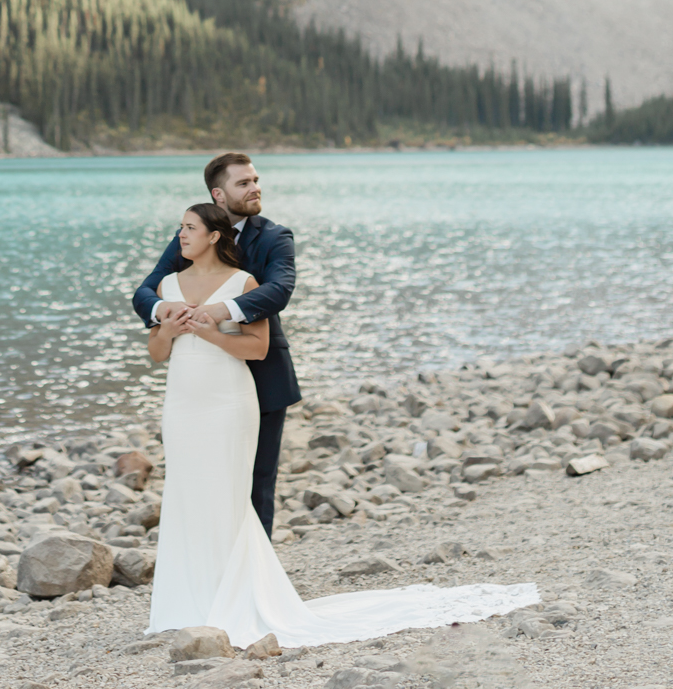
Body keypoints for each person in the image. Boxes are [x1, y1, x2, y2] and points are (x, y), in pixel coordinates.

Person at [141, 197, 540, 648]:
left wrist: (209, 331)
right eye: (180, 228)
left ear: (214, 236)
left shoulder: (242, 282)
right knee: (186, 491)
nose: (181, 235)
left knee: (227, 493)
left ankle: (234, 600)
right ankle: (185, 603)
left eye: (189, 227)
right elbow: (157, 353)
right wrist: (171, 328)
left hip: (228, 401)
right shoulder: (169, 286)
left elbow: (256, 348)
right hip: (182, 402)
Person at [133, 153, 296, 536]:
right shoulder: (192, 236)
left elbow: (280, 289)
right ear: (218, 194)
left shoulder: (275, 236)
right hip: (198, 386)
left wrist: (221, 309)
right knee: (200, 479)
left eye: (256, 180)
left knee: (256, 481)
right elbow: (145, 290)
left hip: (263, 371)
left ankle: (252, 581)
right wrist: (165, 311)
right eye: (244, 183)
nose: (255, 188)